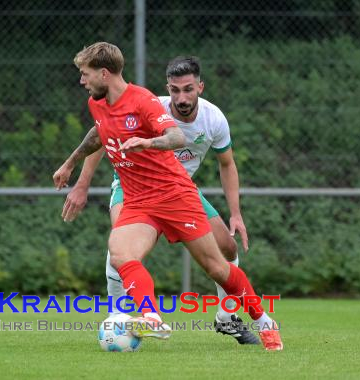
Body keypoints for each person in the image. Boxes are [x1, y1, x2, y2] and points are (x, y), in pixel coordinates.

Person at [53, 42, 282, 350]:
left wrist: (148, 144)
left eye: (85, 74)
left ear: (104, 74)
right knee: (120, 254)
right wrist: (70, 164)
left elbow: (175, 136)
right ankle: (150, 317)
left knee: (217, 266)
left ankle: (264, 321)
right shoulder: (98, 102)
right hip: (136, 198)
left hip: (175, 195)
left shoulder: (144, 101)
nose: (82, 81)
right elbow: (98, 134)